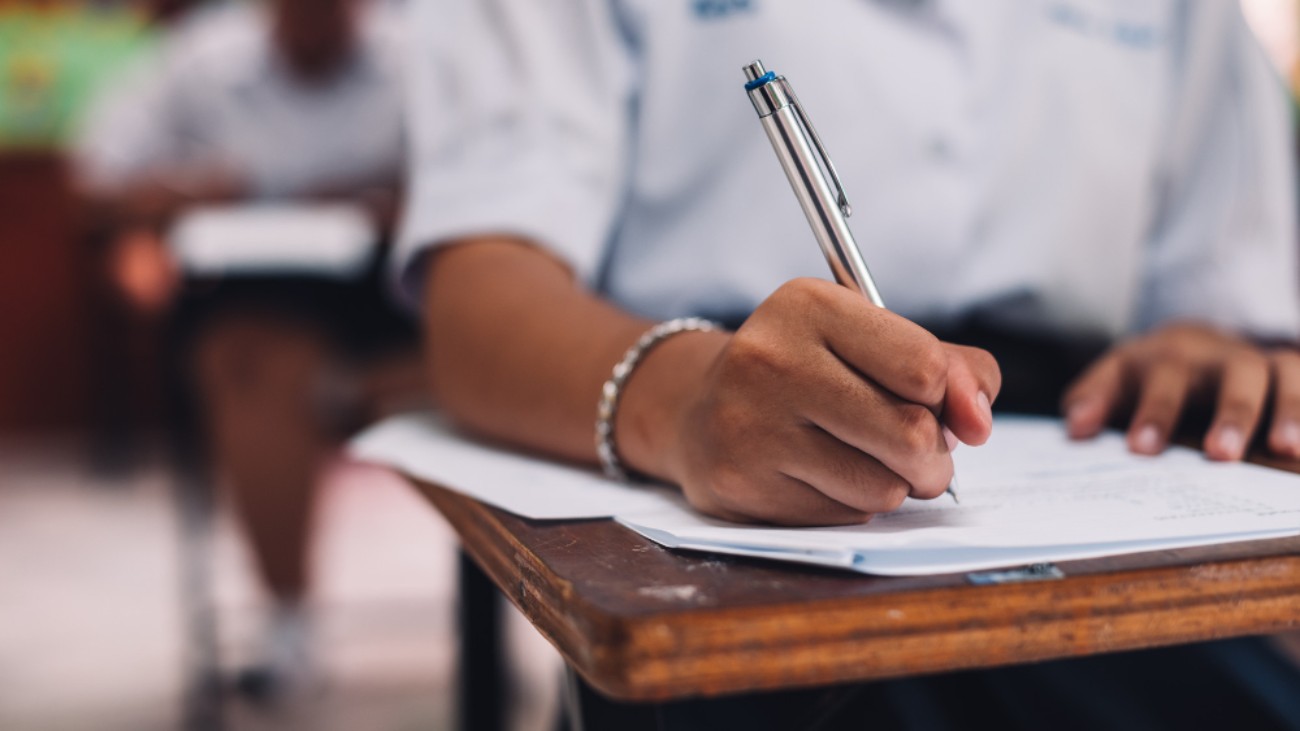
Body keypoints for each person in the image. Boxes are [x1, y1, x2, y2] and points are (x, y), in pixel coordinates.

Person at [396, 1, 1300, 727]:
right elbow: (480, 294)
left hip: (1083, 474)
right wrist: (686, 403)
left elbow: (1234, 295)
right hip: (712, 438)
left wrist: (1211, 344)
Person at [74, 0, 416, 702]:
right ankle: (288, 618)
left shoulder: (418, 55)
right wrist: (193, 192)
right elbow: (97, 179)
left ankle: (506, 616)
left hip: (393, 300)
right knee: (249, 370)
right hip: (254, 307)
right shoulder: (201, 60)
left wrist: (394, 201)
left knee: (477, 372)